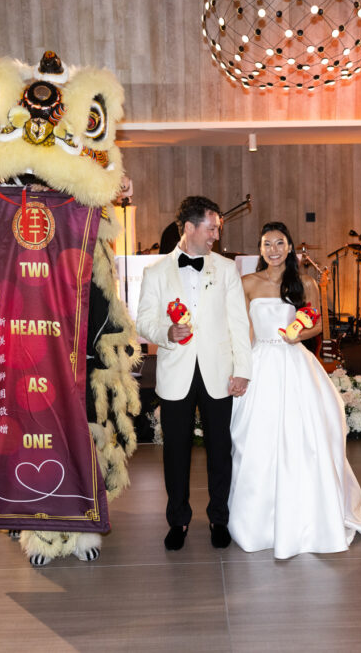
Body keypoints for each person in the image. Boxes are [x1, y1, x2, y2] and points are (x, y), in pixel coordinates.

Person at [228, 222, 361, 558]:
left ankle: (308, 516)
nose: (274, 249)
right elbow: (244, 330)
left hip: (294, 362)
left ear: (290, 246)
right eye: (267, 244)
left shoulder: (304, 283)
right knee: (258, 438)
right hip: (260, 361)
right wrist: (241, 369)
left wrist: (300, 335)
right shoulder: (247, 283)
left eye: (280, 243)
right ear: (260, 248)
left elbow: (319, 322)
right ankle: (257, 521)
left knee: (304, 437)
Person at [136, 196, 252, 551]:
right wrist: (165, 334)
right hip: (176, 372)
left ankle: (219, 517)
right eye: (211, 227)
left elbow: (238, 323)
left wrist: (242, 370)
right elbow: (143, 320)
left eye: (217, 228)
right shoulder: (155, 272)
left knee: (220, 450)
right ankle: (178, 520)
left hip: (219, 372)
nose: (216, 234)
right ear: (189, 228)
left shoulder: (227, 269)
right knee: (175, 452)